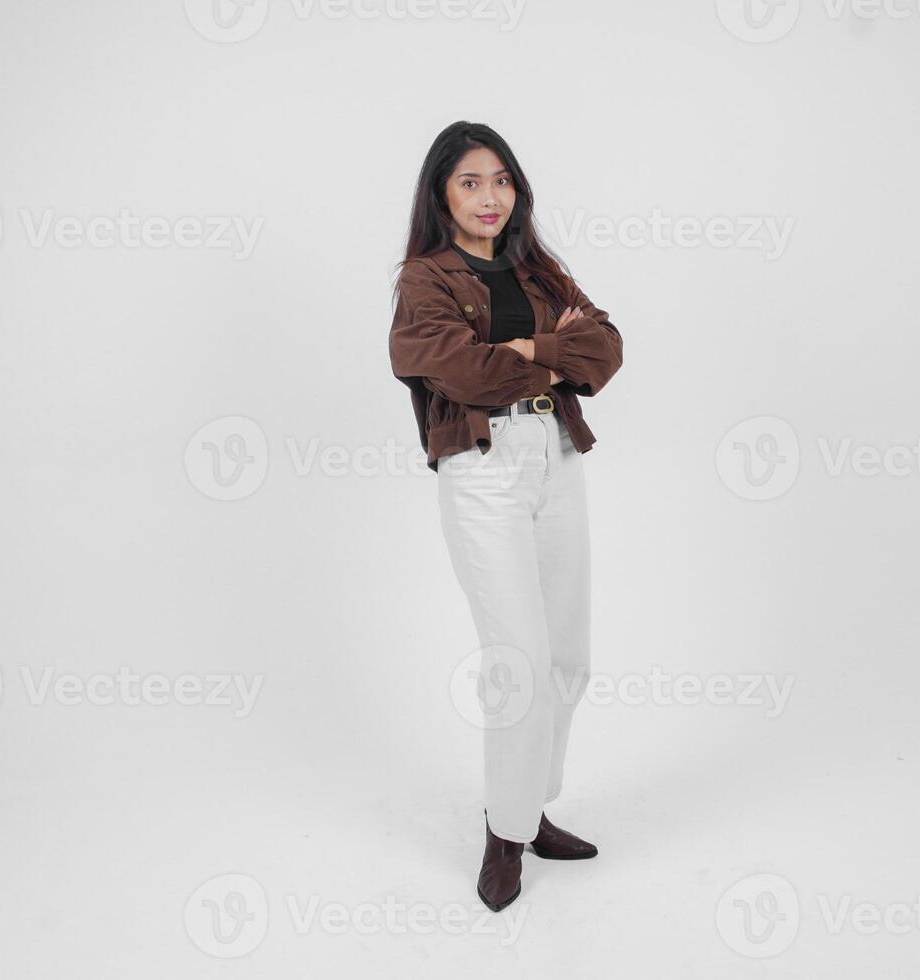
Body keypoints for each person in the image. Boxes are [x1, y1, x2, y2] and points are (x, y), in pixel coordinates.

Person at [388, 121, 624, 912]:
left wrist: (530, 352)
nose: (490, 197)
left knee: (566, 655)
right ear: (441, 195)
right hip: (483, 469)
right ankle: (504, 834)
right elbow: (451, 368)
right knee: (517, 660)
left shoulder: (538, 267)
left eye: (501, 180)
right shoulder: (424, 280)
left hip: (555, 457)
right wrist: (539, 351)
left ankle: (529, 810)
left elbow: (607, 345)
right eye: (470, 182)